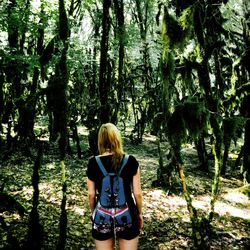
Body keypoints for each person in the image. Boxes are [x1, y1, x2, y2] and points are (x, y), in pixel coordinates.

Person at [87, 123, 143, 250]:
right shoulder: (131, 161)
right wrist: (139, 213)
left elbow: (91, 195)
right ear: (117, 139)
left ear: (100, 140)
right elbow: (137, 193)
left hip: (102, 216)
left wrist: (93, 212)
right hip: (127, 214)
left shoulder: (93, 163)